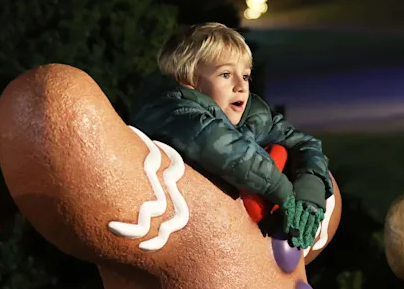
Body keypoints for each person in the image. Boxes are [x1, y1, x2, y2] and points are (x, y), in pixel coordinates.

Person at [130, 22, 331, 249]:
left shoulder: (254, 113)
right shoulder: (171, 110)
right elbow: (215, 142)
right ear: (190, 81)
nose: (241, 86)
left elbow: (303, 143)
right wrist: (285, 193)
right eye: (225, 74)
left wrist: (310, 193)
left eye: (245, 76)